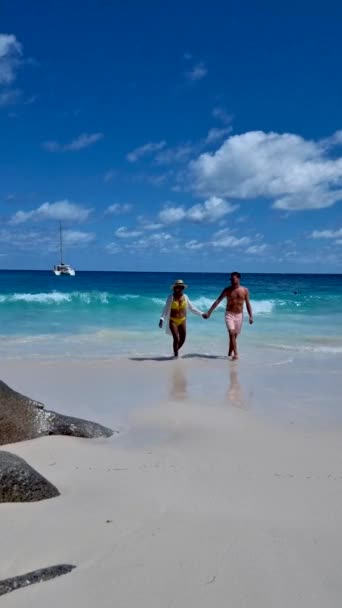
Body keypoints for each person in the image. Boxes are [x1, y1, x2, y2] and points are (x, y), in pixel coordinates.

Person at [204, 272, 253, 360]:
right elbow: (217, 301)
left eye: (233, 279)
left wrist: (250, 316)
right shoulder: (227, 290)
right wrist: (209, 312)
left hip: (239, 315)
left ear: (238, 279)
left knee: (234, 336)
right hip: (229, 314)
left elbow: (248, 304)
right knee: (231, 333)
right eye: (231, 279)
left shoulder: (245, 290)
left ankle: (229, 354)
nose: (231, 281)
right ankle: (236, 354)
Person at [159, 279, 205, 357]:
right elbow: (166, 308)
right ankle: (176, 357)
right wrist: (162, 319)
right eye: (178, 287)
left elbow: (192, 308)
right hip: (173, 320)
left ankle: (174, 352)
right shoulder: (171, 297)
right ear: (174, 288)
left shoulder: (185, 297)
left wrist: (202, 313)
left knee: (183, 339)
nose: (179, 289)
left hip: (182, 320)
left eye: (181, 287)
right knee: (176, 339)